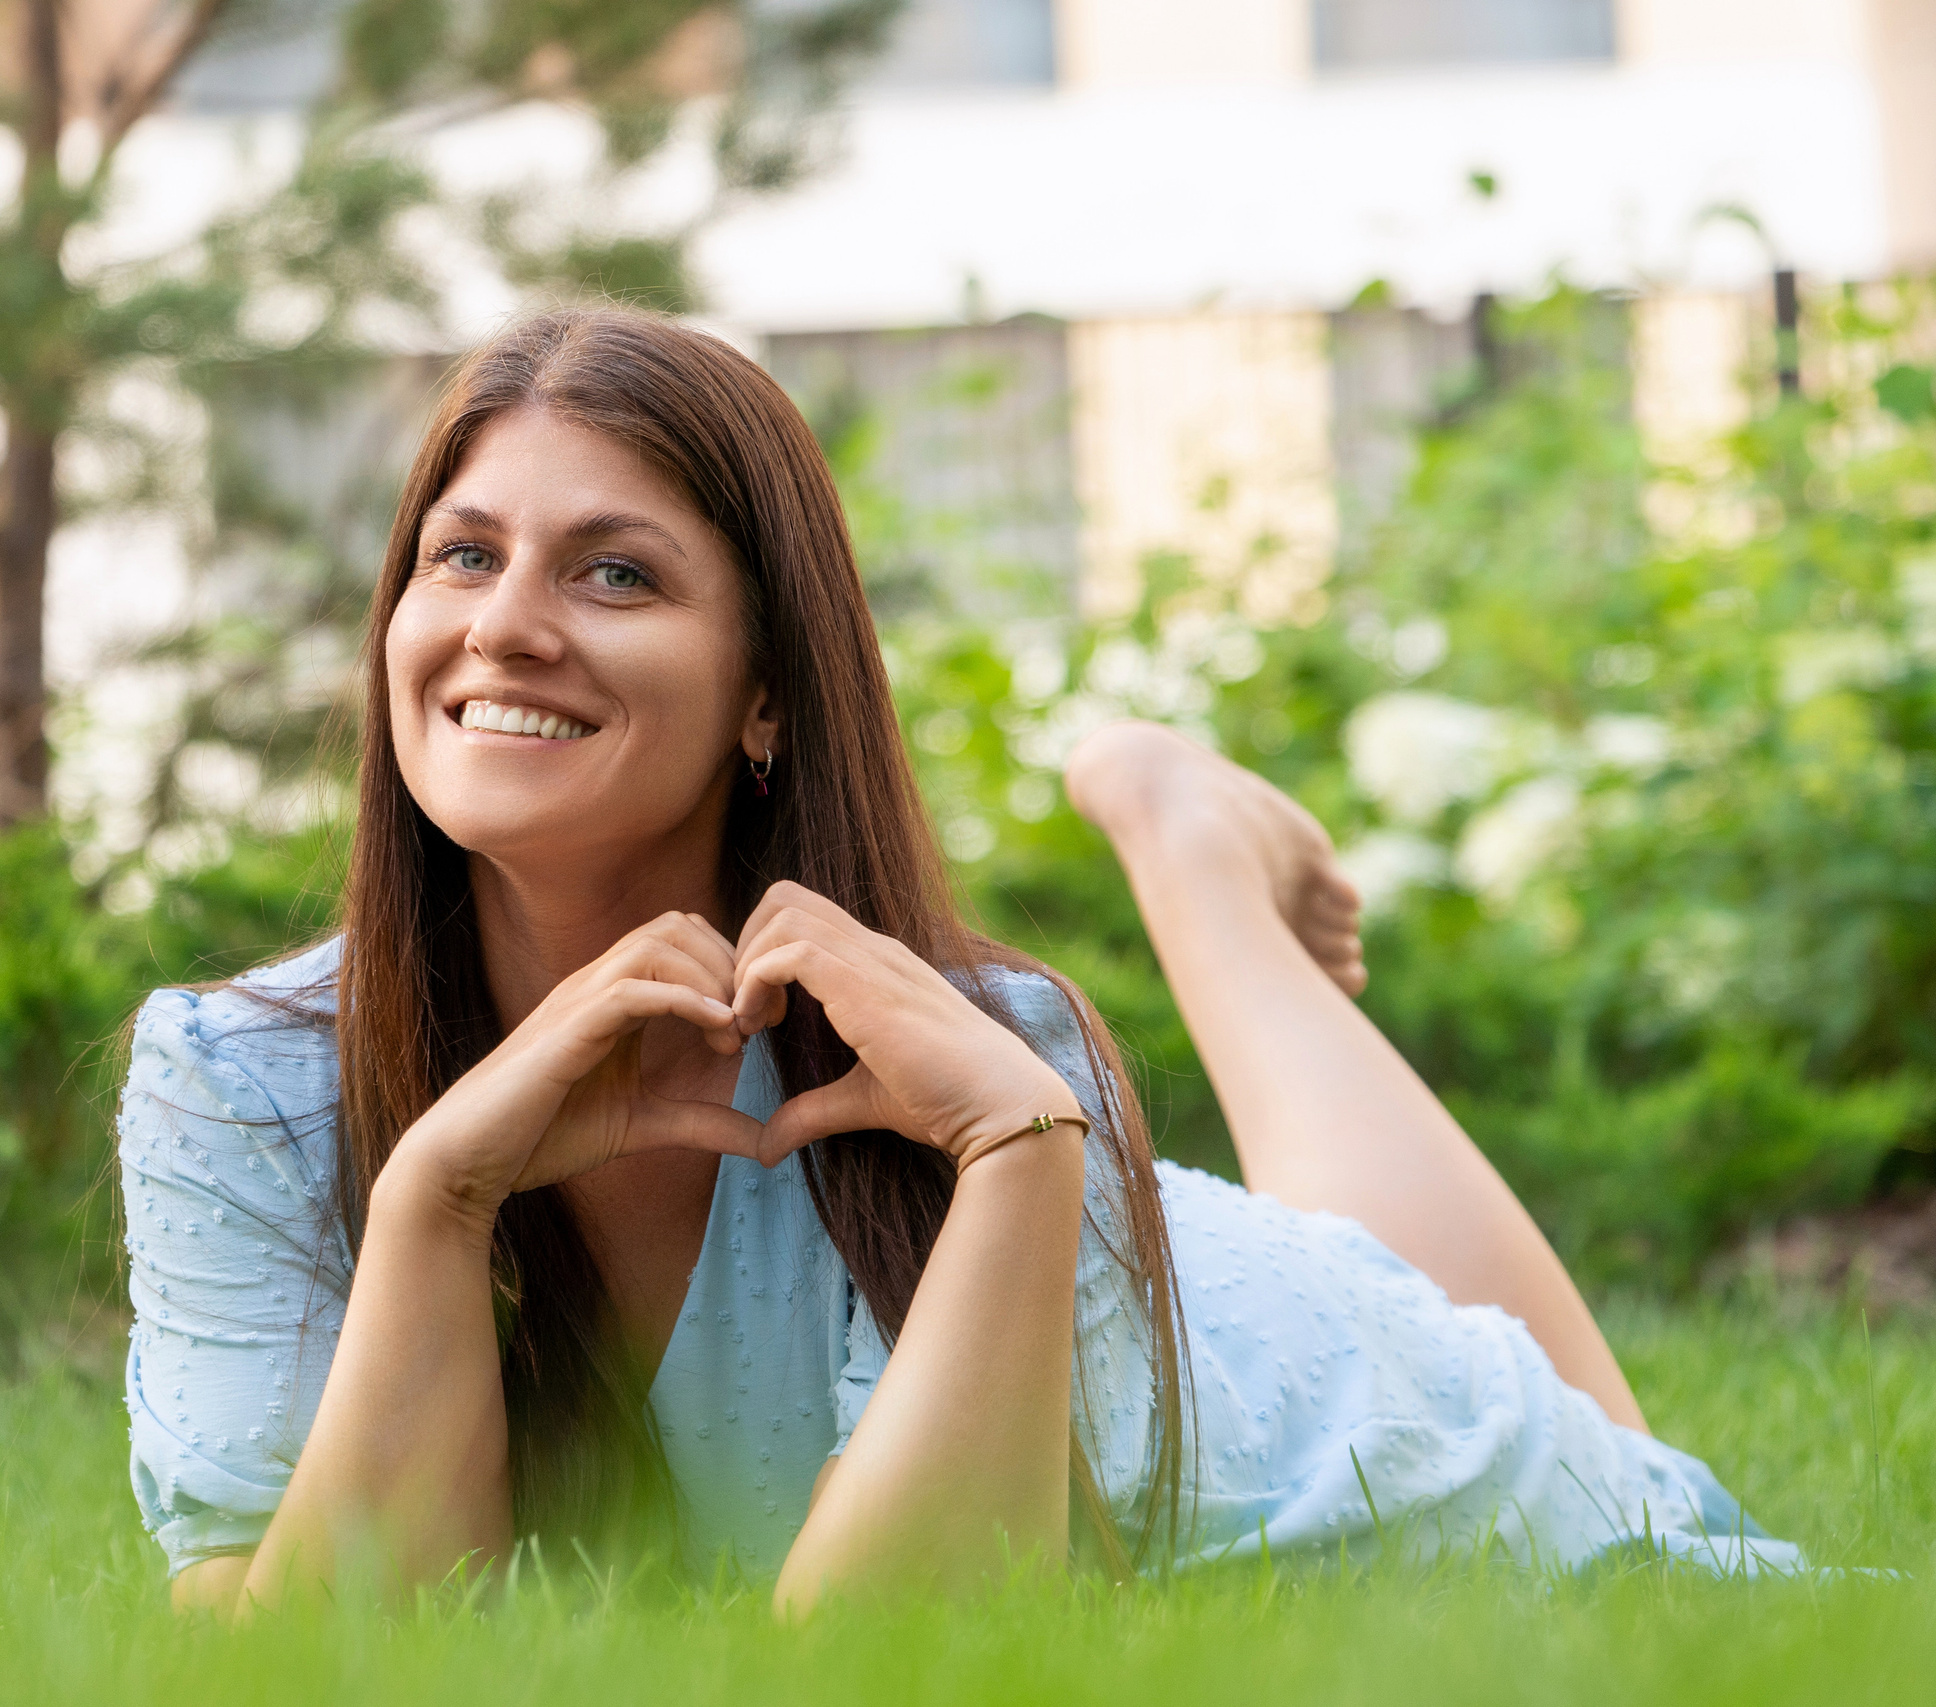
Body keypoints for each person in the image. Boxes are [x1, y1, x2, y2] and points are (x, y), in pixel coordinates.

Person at [119, 307, 1800, 1619]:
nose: (504, 624)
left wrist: (1020, 1147)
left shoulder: (974, 1061)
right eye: (463, 554)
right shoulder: (236, 1075)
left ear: (768, 697)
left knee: (1576, 1434)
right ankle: (1192, 847)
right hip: (1204, 1307)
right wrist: (437, 1198)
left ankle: (1185, 845)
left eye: (616, 572)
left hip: (1371, 1451)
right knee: (1332, 1247)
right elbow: (308, 1663)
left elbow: (896, 1663)